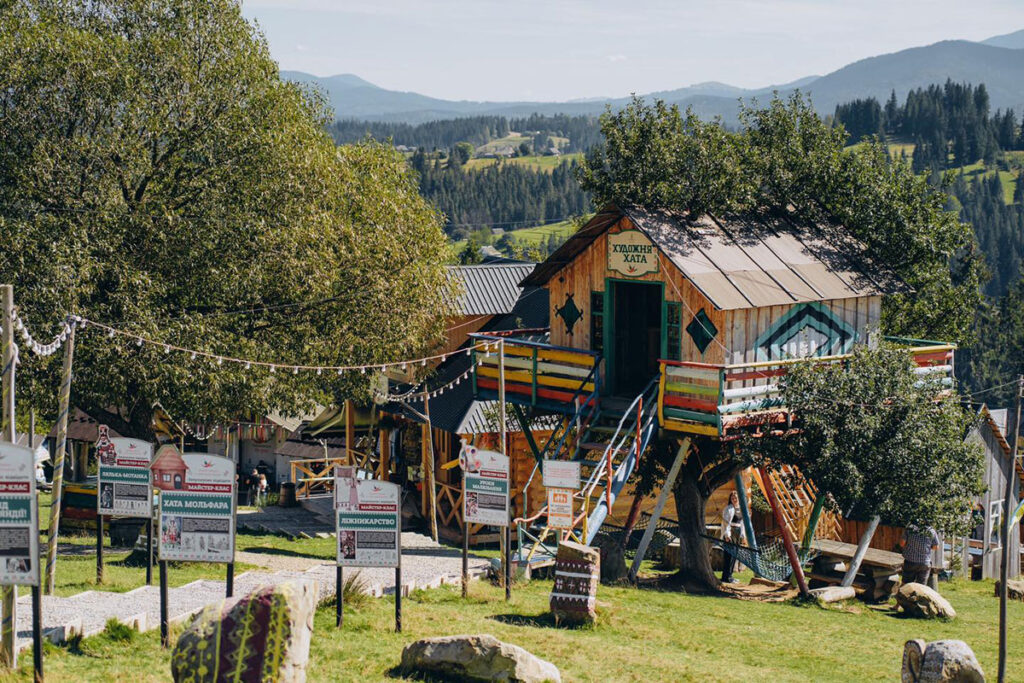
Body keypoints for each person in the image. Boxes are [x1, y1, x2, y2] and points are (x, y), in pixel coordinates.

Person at [720, 490, 746, 584]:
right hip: (730, 532)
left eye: (735, 498)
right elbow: (726, 523)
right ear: (730, 499)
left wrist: (743, 535)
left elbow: (742, 523)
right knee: (728, 556)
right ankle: (725, 577)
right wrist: (727, 535)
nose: (734, 499)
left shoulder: (741, 509)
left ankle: (729, 576)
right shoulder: (728, 509)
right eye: (732, 498)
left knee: (734, 555)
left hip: (737, 533)